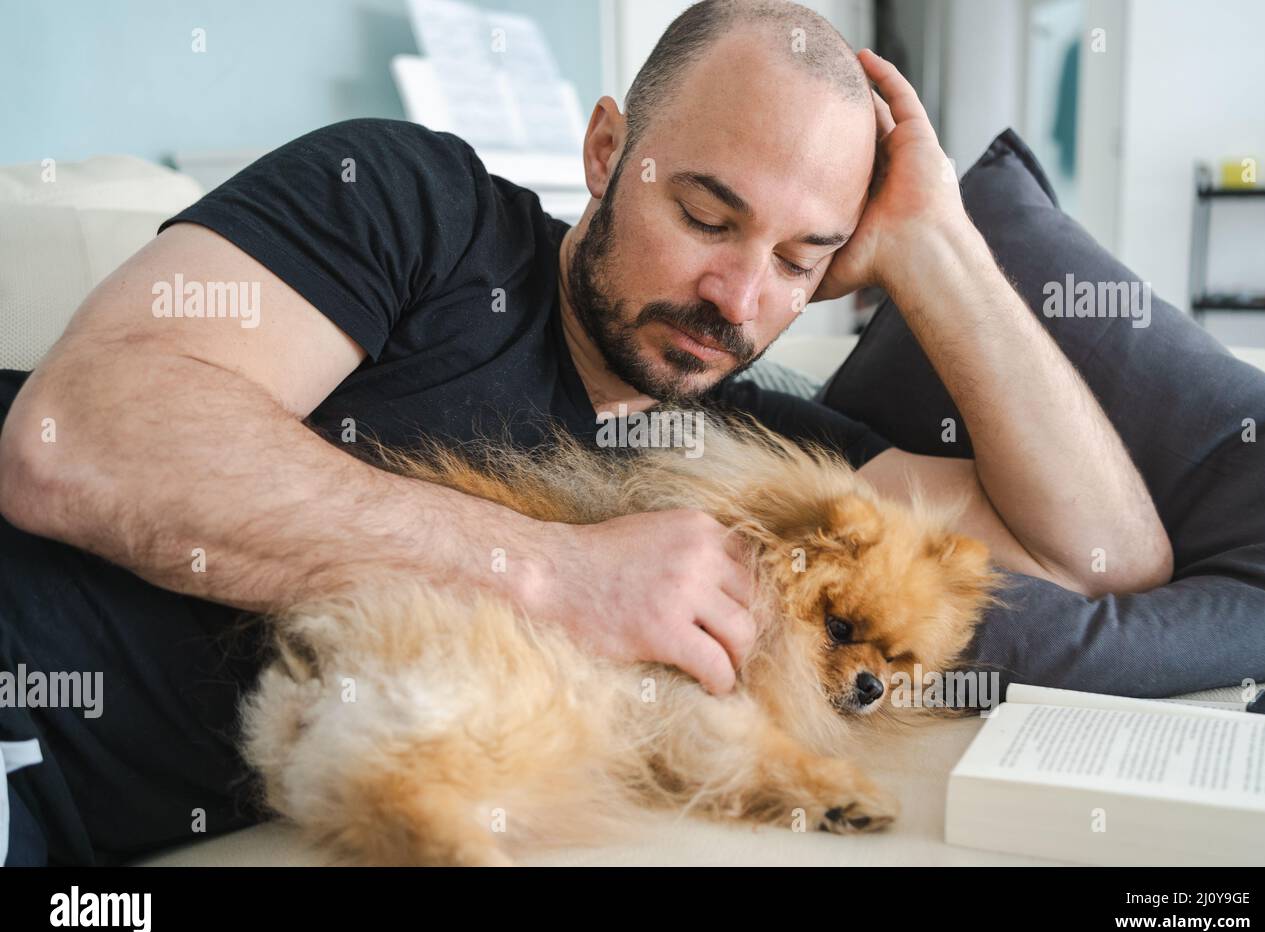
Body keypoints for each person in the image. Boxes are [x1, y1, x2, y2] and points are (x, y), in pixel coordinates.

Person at [0, 0, 1172, 865]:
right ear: (609, 151)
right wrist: (553, 571)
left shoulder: (758, 457)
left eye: (799, 259)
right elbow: (75, 436)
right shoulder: (418, 206)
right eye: (706, 214)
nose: (737, 294)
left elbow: (1107, 556)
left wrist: (937, 246)